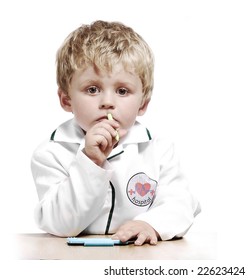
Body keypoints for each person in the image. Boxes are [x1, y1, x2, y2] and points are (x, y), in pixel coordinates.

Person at [31, 20, 200, 246]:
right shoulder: (51, 153)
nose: (108, 102)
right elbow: (61, 223)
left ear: (143, 104)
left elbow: (182, 204)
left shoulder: (158, 149)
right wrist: (89, 162)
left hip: (138, 257)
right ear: (66, 99)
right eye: (92, 89)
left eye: (122, 91)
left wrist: (152, 224)